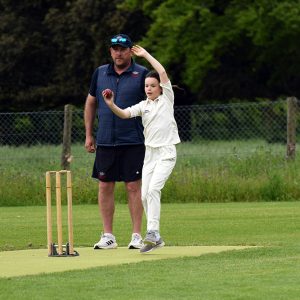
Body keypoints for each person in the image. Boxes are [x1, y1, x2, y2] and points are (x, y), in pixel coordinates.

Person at [102, 45, 181, 253]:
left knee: (154, 190)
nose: (149, 89)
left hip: (166, 152)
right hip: (150, 155)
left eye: (152, 86)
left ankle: (152, 232)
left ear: (160, 88)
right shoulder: (143, 105)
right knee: (145, 195)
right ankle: (156, 237)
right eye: (146, 86)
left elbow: (162, 72)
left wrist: (145, 55)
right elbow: (124, 114)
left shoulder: (166, 99)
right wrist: (110, 104)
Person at [84, 34, 149, 250]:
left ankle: (137, 235)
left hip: (133, 140)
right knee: (105, 185)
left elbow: (151, 105)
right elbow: (91, 102)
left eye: (122, 49)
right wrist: (89, 134)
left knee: (133, 186)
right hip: (105, 140)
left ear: (130, 50)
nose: (118, 53)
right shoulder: (101, 72)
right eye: (114, 49)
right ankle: (108, 236)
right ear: (110, 51)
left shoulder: (141, 74)